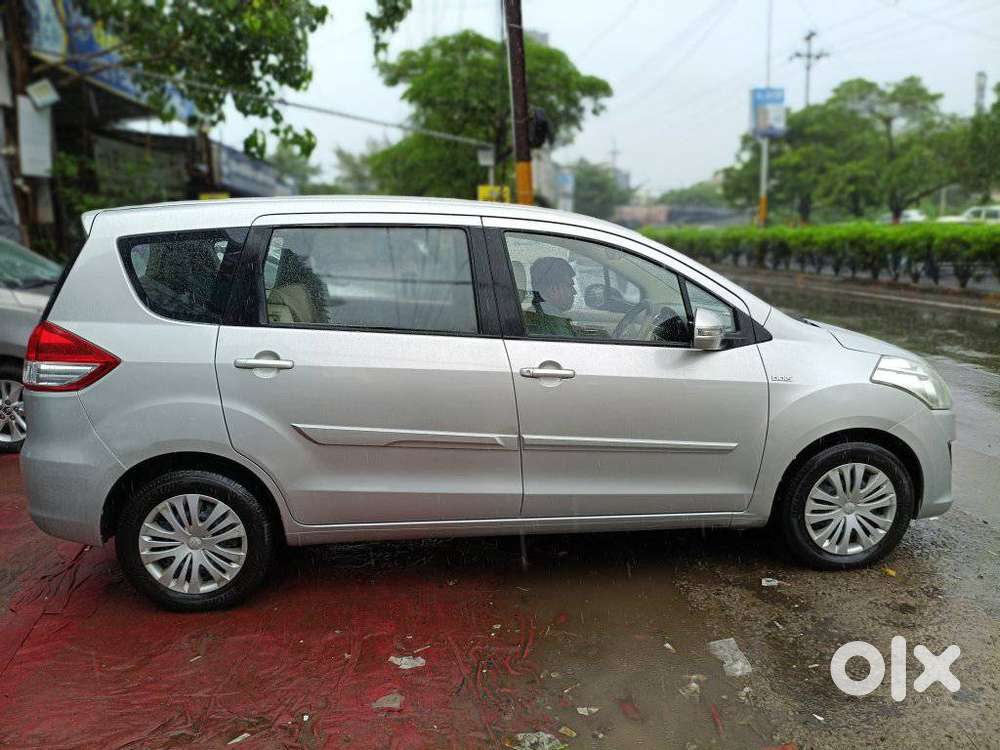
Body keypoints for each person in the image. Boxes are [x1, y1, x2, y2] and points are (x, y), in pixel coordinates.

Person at [523, 256, 577, 337]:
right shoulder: (553, 321)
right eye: (570, 286)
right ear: (553, 289)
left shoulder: (533, 314)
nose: (574, 292)